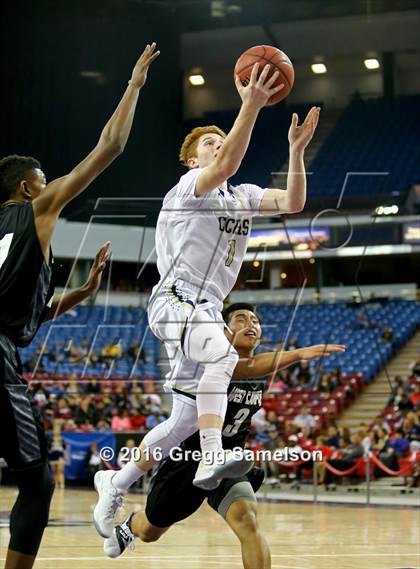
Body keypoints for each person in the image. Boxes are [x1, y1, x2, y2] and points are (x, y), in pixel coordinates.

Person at [93, 64, 321, 538]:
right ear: (193, 162)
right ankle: (213, 455)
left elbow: (295, 202)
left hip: (206, 308)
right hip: (176, 299)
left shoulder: (242, 196)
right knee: (222, 354)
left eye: (221, 139)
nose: (217, 146)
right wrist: (251, 104)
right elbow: (227, 164)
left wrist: (297, 151)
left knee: (183, 418)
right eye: (208, 145)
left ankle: (115, 482)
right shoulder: (187, 190)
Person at [0, 43, 159, 569]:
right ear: (28, 188)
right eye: (45, 180)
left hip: (6, 339)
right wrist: (133, 86)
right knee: (37, 482)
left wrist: (83, 294)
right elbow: (108, 148)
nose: (51, 187)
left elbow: (28, 314)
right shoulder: (37, 209)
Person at [103, 303, 344, 566]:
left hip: (228, 460)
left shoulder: (258, 372)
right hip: (188, 461)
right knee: (151, 531)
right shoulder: (210, 360)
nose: (250, 324)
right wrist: (298, 354)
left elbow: (252, 371)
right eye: (241, 319)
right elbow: (246, 367)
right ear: (224, 330)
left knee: (247, 521)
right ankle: (128, 527)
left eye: (255, 320)